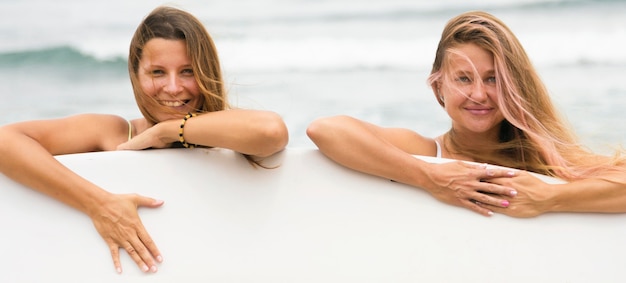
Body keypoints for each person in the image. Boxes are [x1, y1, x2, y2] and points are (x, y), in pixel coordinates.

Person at [0, 6, 288, 274]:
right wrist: (99, 205)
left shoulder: (230, 130)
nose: (173, 87)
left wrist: (167, 131)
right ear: (136, 76)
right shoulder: (115, 133)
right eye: (157, 72)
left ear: (206, 71)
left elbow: (271, 132)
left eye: (187, 71)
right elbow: (6, 140)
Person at [307, 11, 626, 219]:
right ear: (438, 88)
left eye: (493, 79)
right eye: (463, 78)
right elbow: (326, 130)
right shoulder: (428, 153)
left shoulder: (542, 160)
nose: (479, 94)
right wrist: (430, 177)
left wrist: (551, 198)